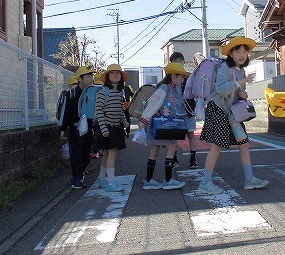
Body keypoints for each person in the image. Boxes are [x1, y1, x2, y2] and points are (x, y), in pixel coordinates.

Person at [197, 37, 268, 194]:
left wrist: (244, 94)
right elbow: (221, 89)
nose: (242, 55)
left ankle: (249, 179)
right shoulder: (224, 67)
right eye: (238, 51)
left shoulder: (241, 71)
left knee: (243, 143)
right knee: (217, 145)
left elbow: (237, 91)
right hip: (218, 109)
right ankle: (205, 183)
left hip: (232, 113)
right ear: (230, 53)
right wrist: (239, 83)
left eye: (244, 51)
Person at [137, 63, 189, 190]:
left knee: (155, 150)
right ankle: (168, 180)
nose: (183, 79)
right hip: (163, 124)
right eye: (181, 77)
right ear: (173, 76)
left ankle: (149, 180)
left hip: (160, 124)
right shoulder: (165, 88)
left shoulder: (171, 88)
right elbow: (153, 103)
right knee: (172, 147)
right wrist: (144, 120)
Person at [94, 64, 131, 192]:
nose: (115, 75)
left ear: (121, 76)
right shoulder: (103, 91)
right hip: (107, 127)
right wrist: (103, 128)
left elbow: (120, 110)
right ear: (107, 76)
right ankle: (111, 182)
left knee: (106, 153)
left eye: (118, 73)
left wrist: (125, 122)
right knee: (112, 152)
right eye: (112, 73)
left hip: (115, 127)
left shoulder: (119, 92)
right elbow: (98, 111)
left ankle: (101, 178)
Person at [59, 66, 95, 189]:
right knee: (76, 154)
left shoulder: (93, 92)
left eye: (91, 76)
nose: (91, 79)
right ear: (80, 79)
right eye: (88, 76)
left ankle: (80, 174)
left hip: (88, 128)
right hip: (74, 128)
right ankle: (76, 179)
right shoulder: (71, 94)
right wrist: (62, 129)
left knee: (86, 153)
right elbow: (65, 112)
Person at [169, 51, 199, 169]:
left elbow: (196, 91)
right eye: (175, 61)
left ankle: (193, 159)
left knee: (191, 135)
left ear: (184, 62)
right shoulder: (169, 79)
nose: (178, 63)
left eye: (180, 61)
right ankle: (174, 159)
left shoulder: (188, 77)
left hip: (188, 111)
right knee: (174, 138)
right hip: (174, 113)